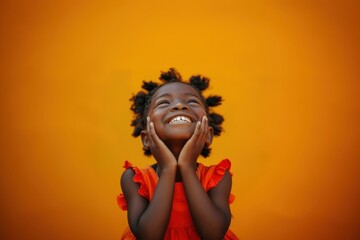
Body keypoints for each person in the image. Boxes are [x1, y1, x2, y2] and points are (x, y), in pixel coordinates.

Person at [117, 68, 238, 239]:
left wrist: (187, 167)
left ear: (208, 135)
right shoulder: (134, 179)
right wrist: (167, 169)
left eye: (192, 102)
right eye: (164, 103)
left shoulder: (218, 178)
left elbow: (214, 235)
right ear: (146, 138)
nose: (180, 105)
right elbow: (148, 236)